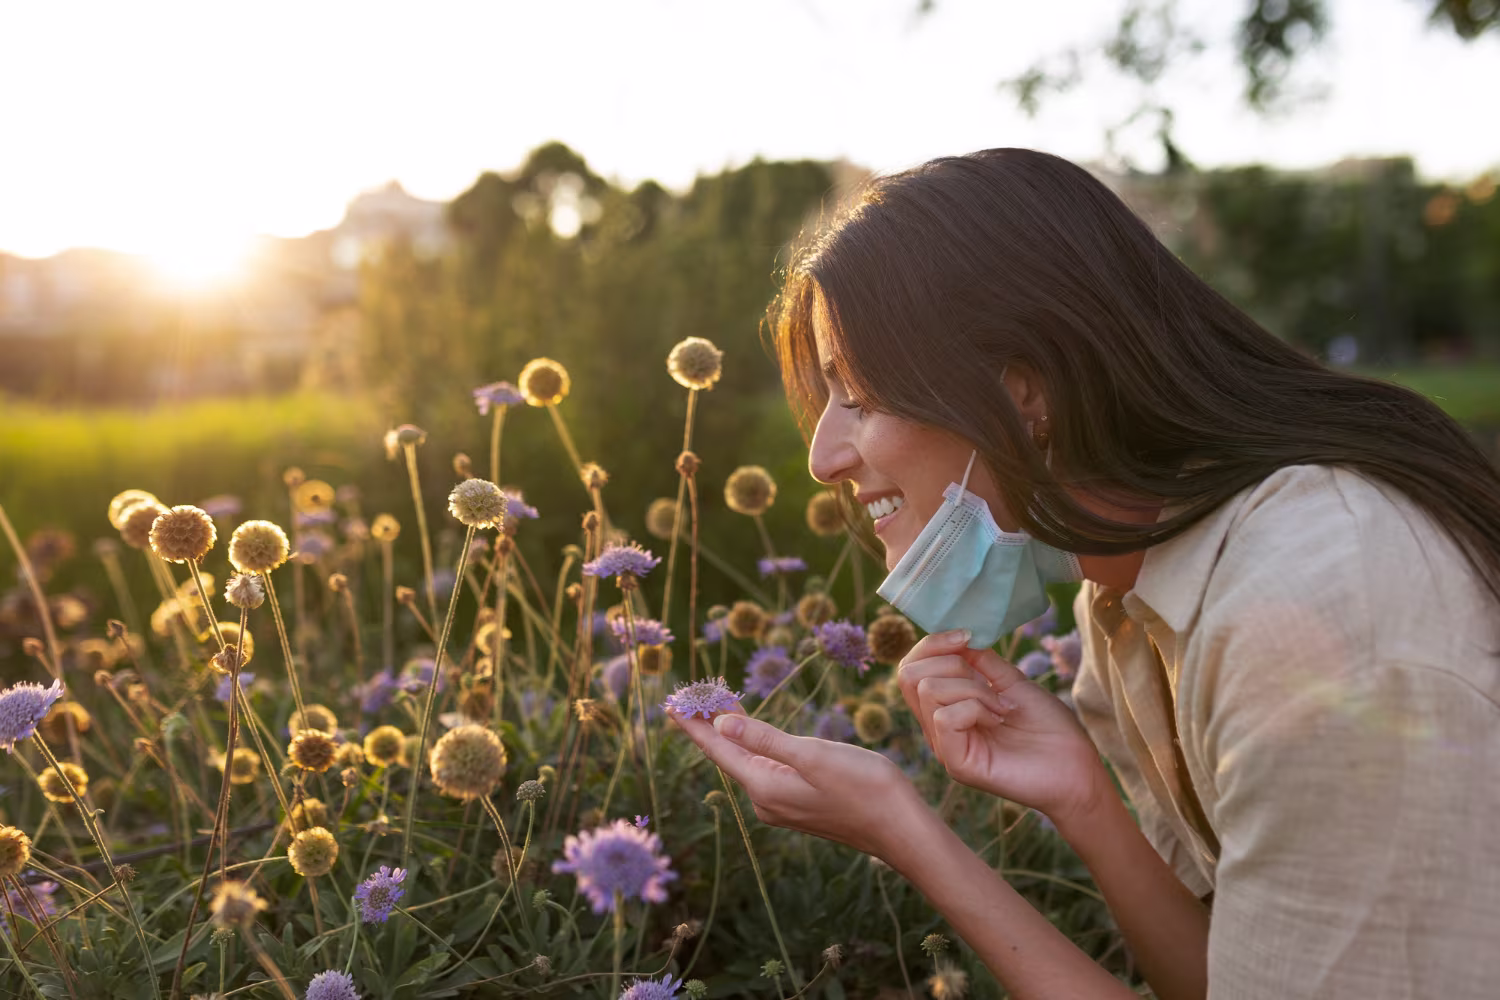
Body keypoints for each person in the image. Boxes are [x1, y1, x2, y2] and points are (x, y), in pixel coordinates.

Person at [670, 148, 1500, 1000]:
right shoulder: (1125, 605)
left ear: (1025, 394)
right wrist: (1085, 801)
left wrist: (909, 836)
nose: (821, 458)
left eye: (861, 397)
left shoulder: (1322, 612)